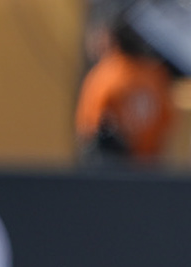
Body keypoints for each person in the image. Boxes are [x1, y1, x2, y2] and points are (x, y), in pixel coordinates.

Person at [74, 22, 173, 166]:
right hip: (149, 165)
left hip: (113, 168)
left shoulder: (105, 75)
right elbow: (168, 119)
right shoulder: (156, 75)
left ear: (114, 42)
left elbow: (89, 126)